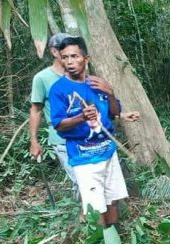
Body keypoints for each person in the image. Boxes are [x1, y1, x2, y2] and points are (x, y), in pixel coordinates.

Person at [49, 36, 127, 226]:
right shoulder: (58, 90)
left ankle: (117, 238)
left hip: (108, 152)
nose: (69, 62)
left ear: (86, 59)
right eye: (65, 57)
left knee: (113, 200)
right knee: (95, 206)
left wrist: (111, 92)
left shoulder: (97, 84)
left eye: (74, 56)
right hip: (84, 157)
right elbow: (58, 124)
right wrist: (81, 117)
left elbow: (115, 113)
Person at [29, 33, 79, 196]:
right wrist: (34, 141)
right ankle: (89, 218)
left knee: (91, 179)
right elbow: (36, 110)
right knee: (81, 180)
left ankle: (91, 216)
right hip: (62, 137)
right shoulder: (42, 78)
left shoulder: (78, 74)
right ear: (55, 52)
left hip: (85, 135)